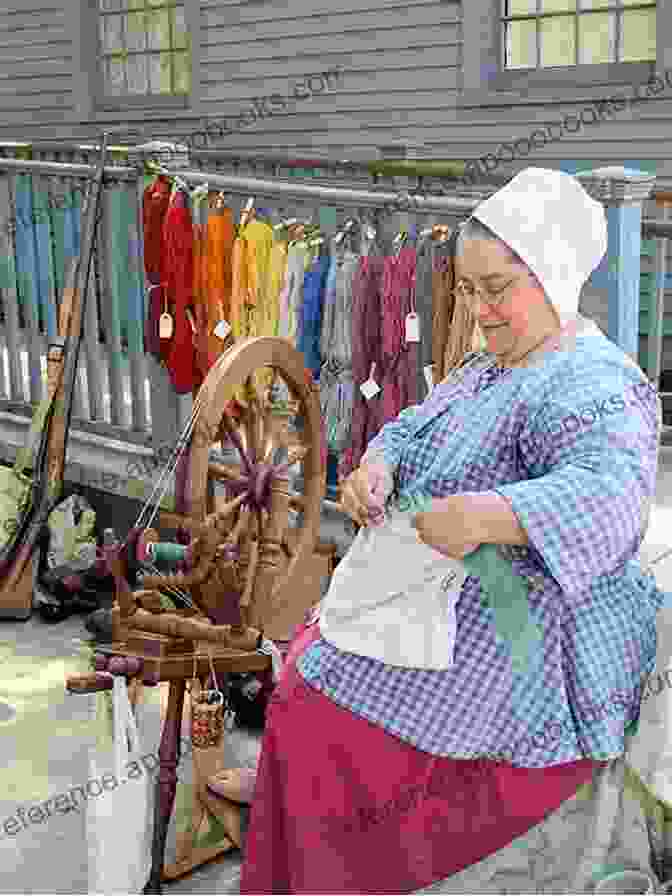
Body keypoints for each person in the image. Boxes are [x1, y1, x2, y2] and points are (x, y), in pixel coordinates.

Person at [228, 168, 666, 893]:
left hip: (536, 623)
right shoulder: (487, 365)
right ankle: (289, 806)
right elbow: (413, 425)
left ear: (553, 276)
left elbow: (612, 502)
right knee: (309, 653)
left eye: (496, 289)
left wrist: (491, 515)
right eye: (467, 289)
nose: (478, 310)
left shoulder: (596, 384)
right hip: (448, 583)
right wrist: (379, 464)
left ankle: (321, 849)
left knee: (324, 702)